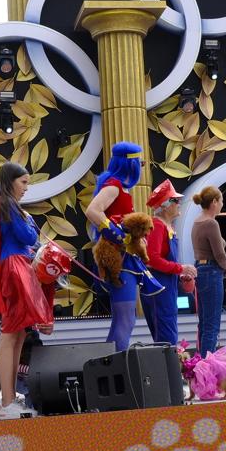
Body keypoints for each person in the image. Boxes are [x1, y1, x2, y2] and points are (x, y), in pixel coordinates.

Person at [0, 162, 54, 417]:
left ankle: (10, 397)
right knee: (11, 335)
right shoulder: (7, 205)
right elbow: (28, 238)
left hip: (13, 267)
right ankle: (8, 401)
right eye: (23, 182)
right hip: (15, 268)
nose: (26, 187)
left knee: (18, 335)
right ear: (10, 181)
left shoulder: (2, 205)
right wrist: (28, 222)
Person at [83, 142, 143, 349]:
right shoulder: (114, 186)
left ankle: (110, 371)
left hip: (123, 258)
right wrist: (118, 235)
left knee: (124, 319)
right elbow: (92, 211)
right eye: (139, 161)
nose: (140, 166)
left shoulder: (119, 187)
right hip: (119, 260)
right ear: (131, 162)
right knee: (126, 320)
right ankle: (118, 373)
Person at [140, 181, 195, 348]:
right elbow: (152, 259)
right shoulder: (157, 225)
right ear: (164, 206)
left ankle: (170, 370)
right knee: (165, 333)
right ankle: (169, 371)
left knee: (168, 329)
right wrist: (180, 268)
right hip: (158, 285)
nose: (179, 204)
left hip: (166, 284)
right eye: (175, 201)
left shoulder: (167, 226)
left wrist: (180, 273)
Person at [189, 186, 226, 355]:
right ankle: (208, 364)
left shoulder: (197, 221)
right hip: (211, 270)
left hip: (201, 268)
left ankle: (201, 361)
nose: (222, 204)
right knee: (212, 323)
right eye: (221, 201)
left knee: (205, 322)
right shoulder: (211, 223)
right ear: (214, 202)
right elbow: (219, 253)